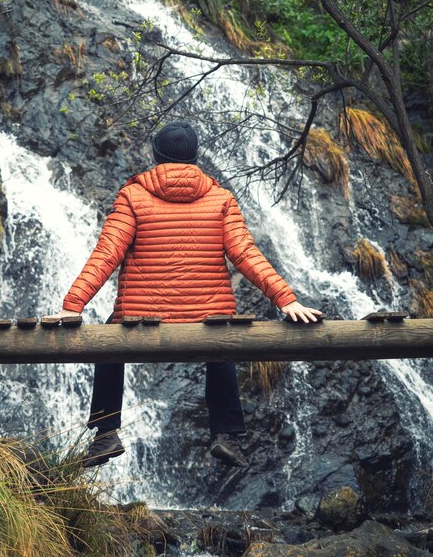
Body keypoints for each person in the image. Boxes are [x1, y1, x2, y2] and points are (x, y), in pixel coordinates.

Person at [45, 121, 323, 469]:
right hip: (208, 320)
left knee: (107, 343)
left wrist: (73, 305)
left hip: (141, 319)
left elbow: (108, 252)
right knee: (221, 347)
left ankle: (105, 434)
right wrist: (286, 299)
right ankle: (226, 436)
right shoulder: (221, 198)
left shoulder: (133, 195)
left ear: (156, 155)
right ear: (194, 157)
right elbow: (246, 254)